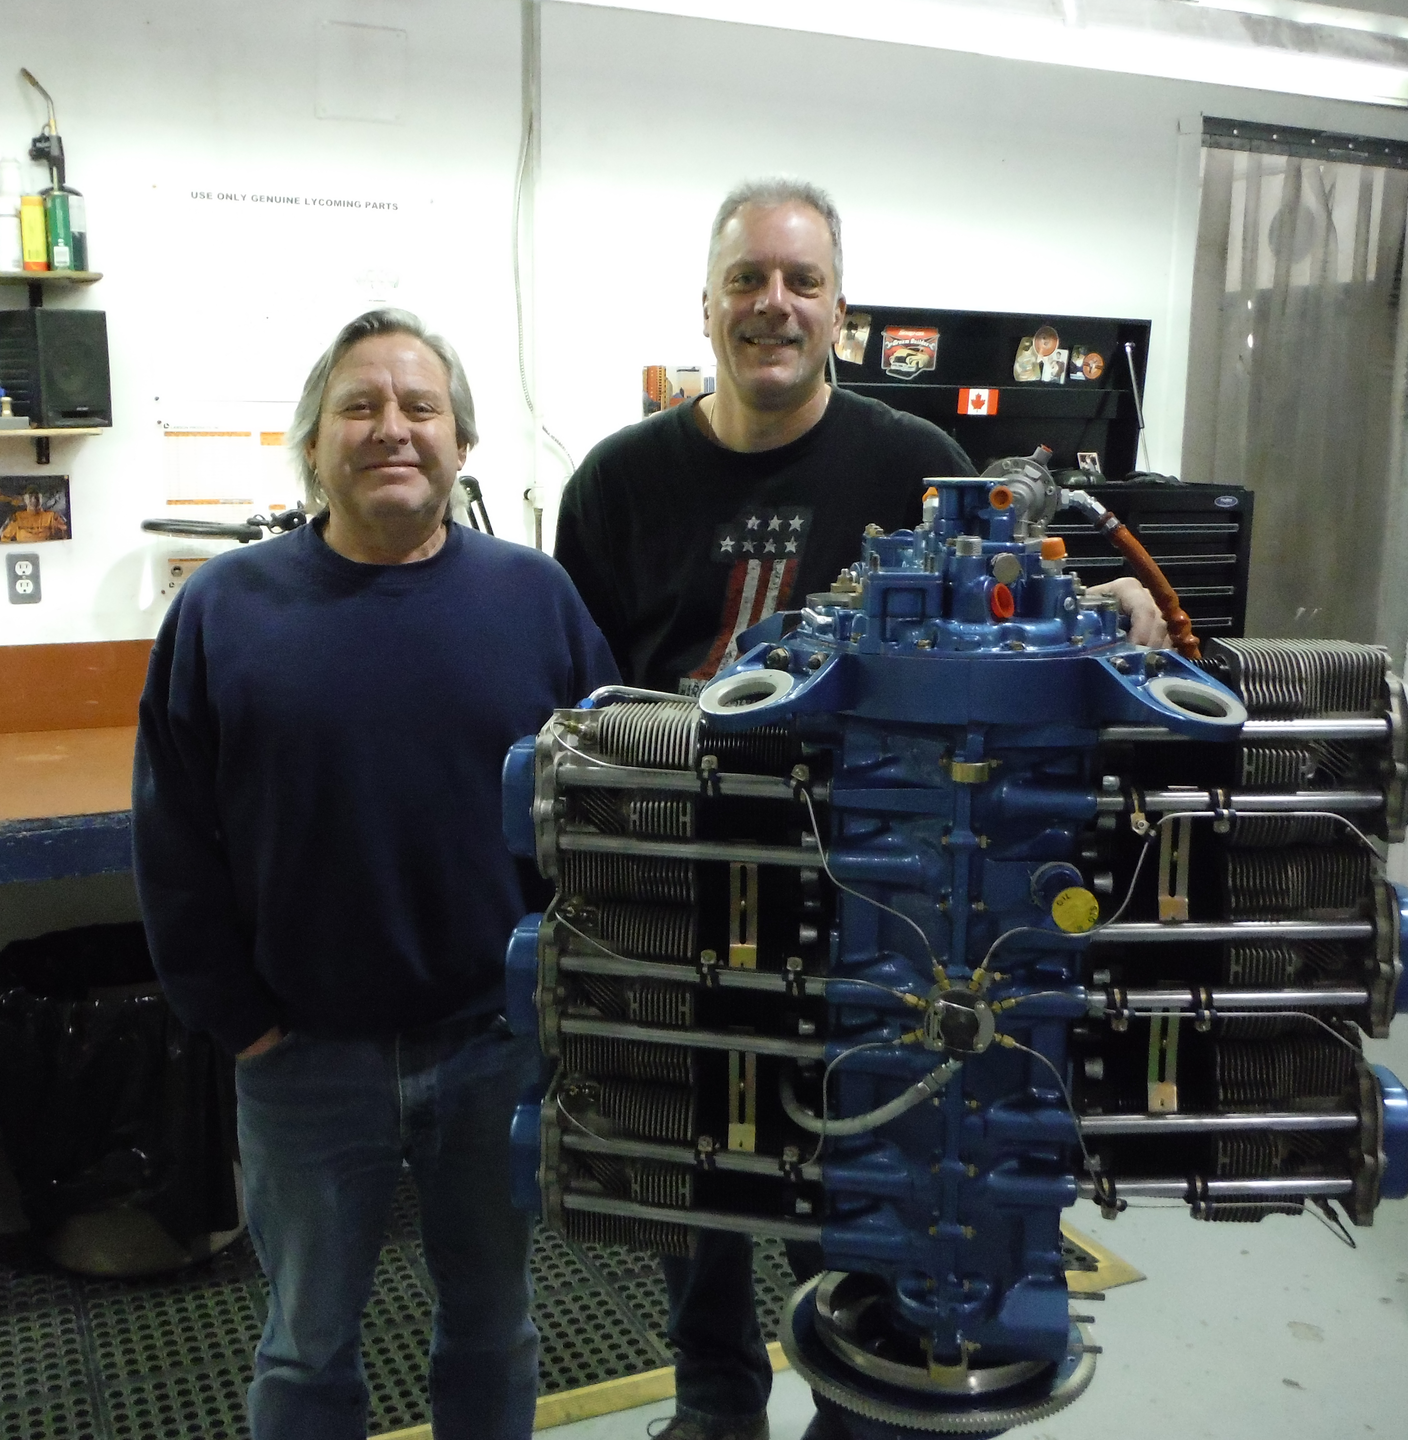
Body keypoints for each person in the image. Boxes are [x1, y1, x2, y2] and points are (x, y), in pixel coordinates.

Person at [554, 179, 1167, 1440]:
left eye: (801, 281)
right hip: (683, 886)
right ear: (709, 305)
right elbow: (583, 700)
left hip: (880, 906)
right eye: (747, 280)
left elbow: (1009, 644)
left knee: (867, 1172)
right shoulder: (616, 482)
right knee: (698, 1169)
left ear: (841, 308)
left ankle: (855, 1396)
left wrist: (1120, 609)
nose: (773, 304)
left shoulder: (918, 467)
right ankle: (715, 1400)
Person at [133, 308, 619, 1440]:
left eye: (419, 407)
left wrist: (572, 1000)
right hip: (303, 1059)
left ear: (461, 443)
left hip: (493, 1048)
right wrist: (237, 1019)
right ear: (314, 443)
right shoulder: (223, 609)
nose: (390, 429)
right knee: (306, 1347)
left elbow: (605, 808)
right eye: (360, 406)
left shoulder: (535, 599)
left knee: (495, 1326)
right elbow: (172, 835)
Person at [0, 484, 69, 543]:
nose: (34, 500)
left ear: (41, 498)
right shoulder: (17, 518)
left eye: (37, 496)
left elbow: (65, 538)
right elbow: (3, 540)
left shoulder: (52, 517)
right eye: (30, 496)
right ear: (25, 499)